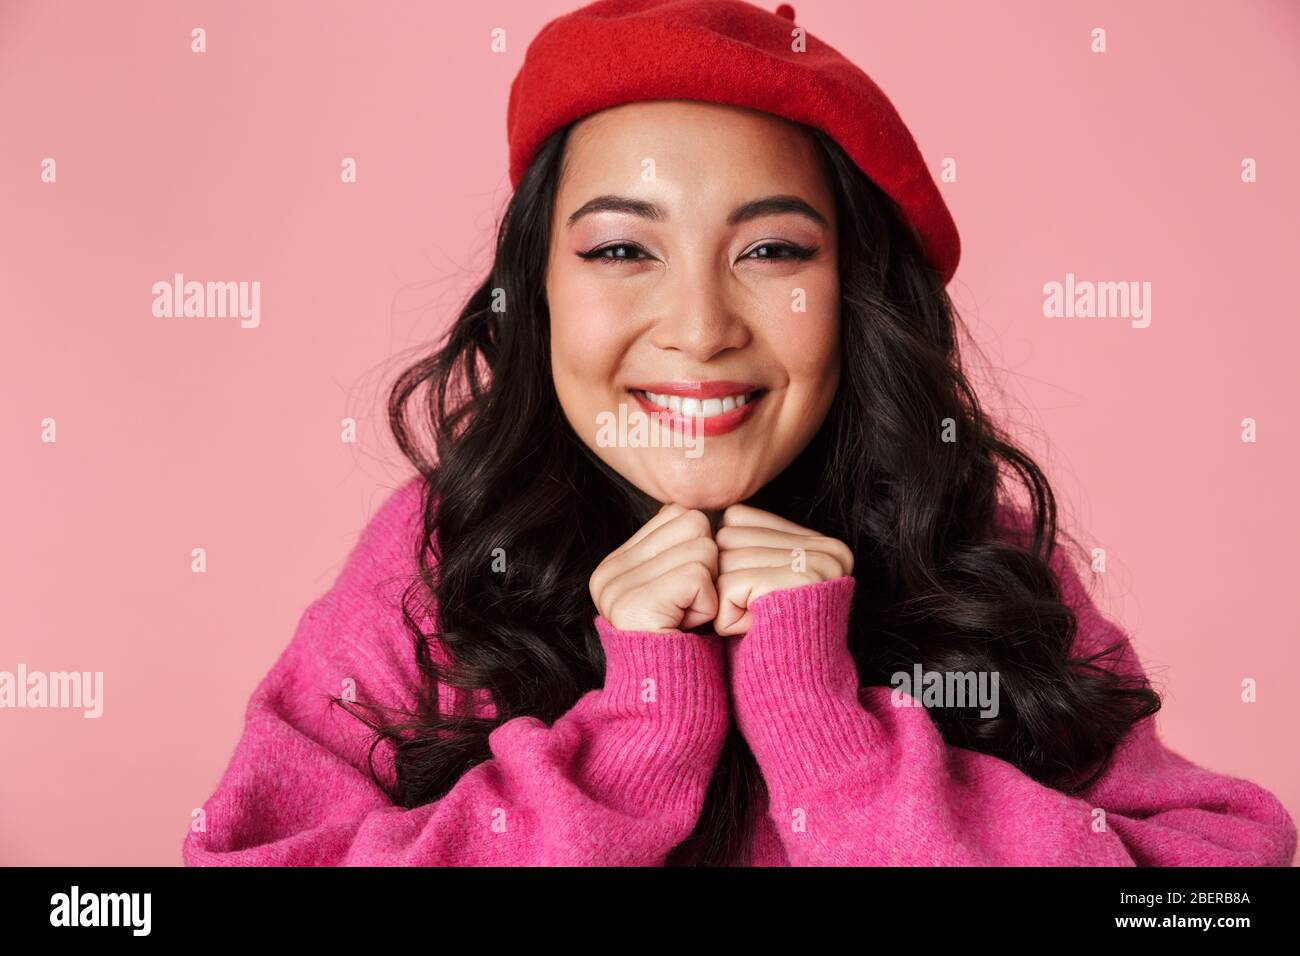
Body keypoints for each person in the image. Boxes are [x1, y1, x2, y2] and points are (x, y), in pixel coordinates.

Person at [182, 0, 1297, 867]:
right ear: (539, 290)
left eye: (772, 252)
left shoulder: (974, 549)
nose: (703, 329)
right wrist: (626, 744)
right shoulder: (444, 557)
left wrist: (835, 737)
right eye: (621, 248)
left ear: (853, 294)